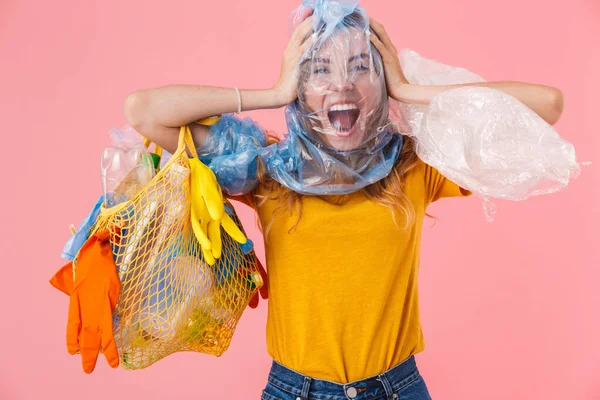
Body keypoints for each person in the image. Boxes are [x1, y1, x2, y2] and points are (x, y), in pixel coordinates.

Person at [123, 2, 563, 398]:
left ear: (380, 81)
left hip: (396, 388)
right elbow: (143, 110)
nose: (342, 85)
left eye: (360, 67)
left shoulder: (412, 165)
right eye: (319, 70)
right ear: (302, 89)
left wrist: (407, 90)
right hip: (294, 390)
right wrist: (274, 93)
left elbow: (547, 105)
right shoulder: (269, 171)